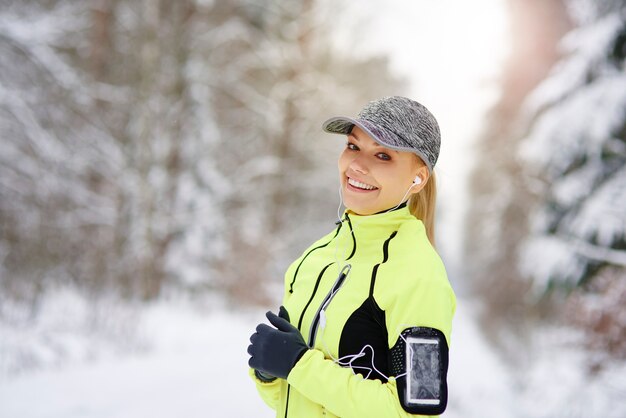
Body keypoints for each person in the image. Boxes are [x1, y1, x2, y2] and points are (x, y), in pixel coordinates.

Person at [247, 96, 456, 417]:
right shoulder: (314, 258)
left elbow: (414, 412)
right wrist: (269, 373)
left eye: (383, 155)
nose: (357, 165)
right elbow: (291, 400)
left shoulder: (418, 275)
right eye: (353, 146)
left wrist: (299, 366)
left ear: (418, 178)